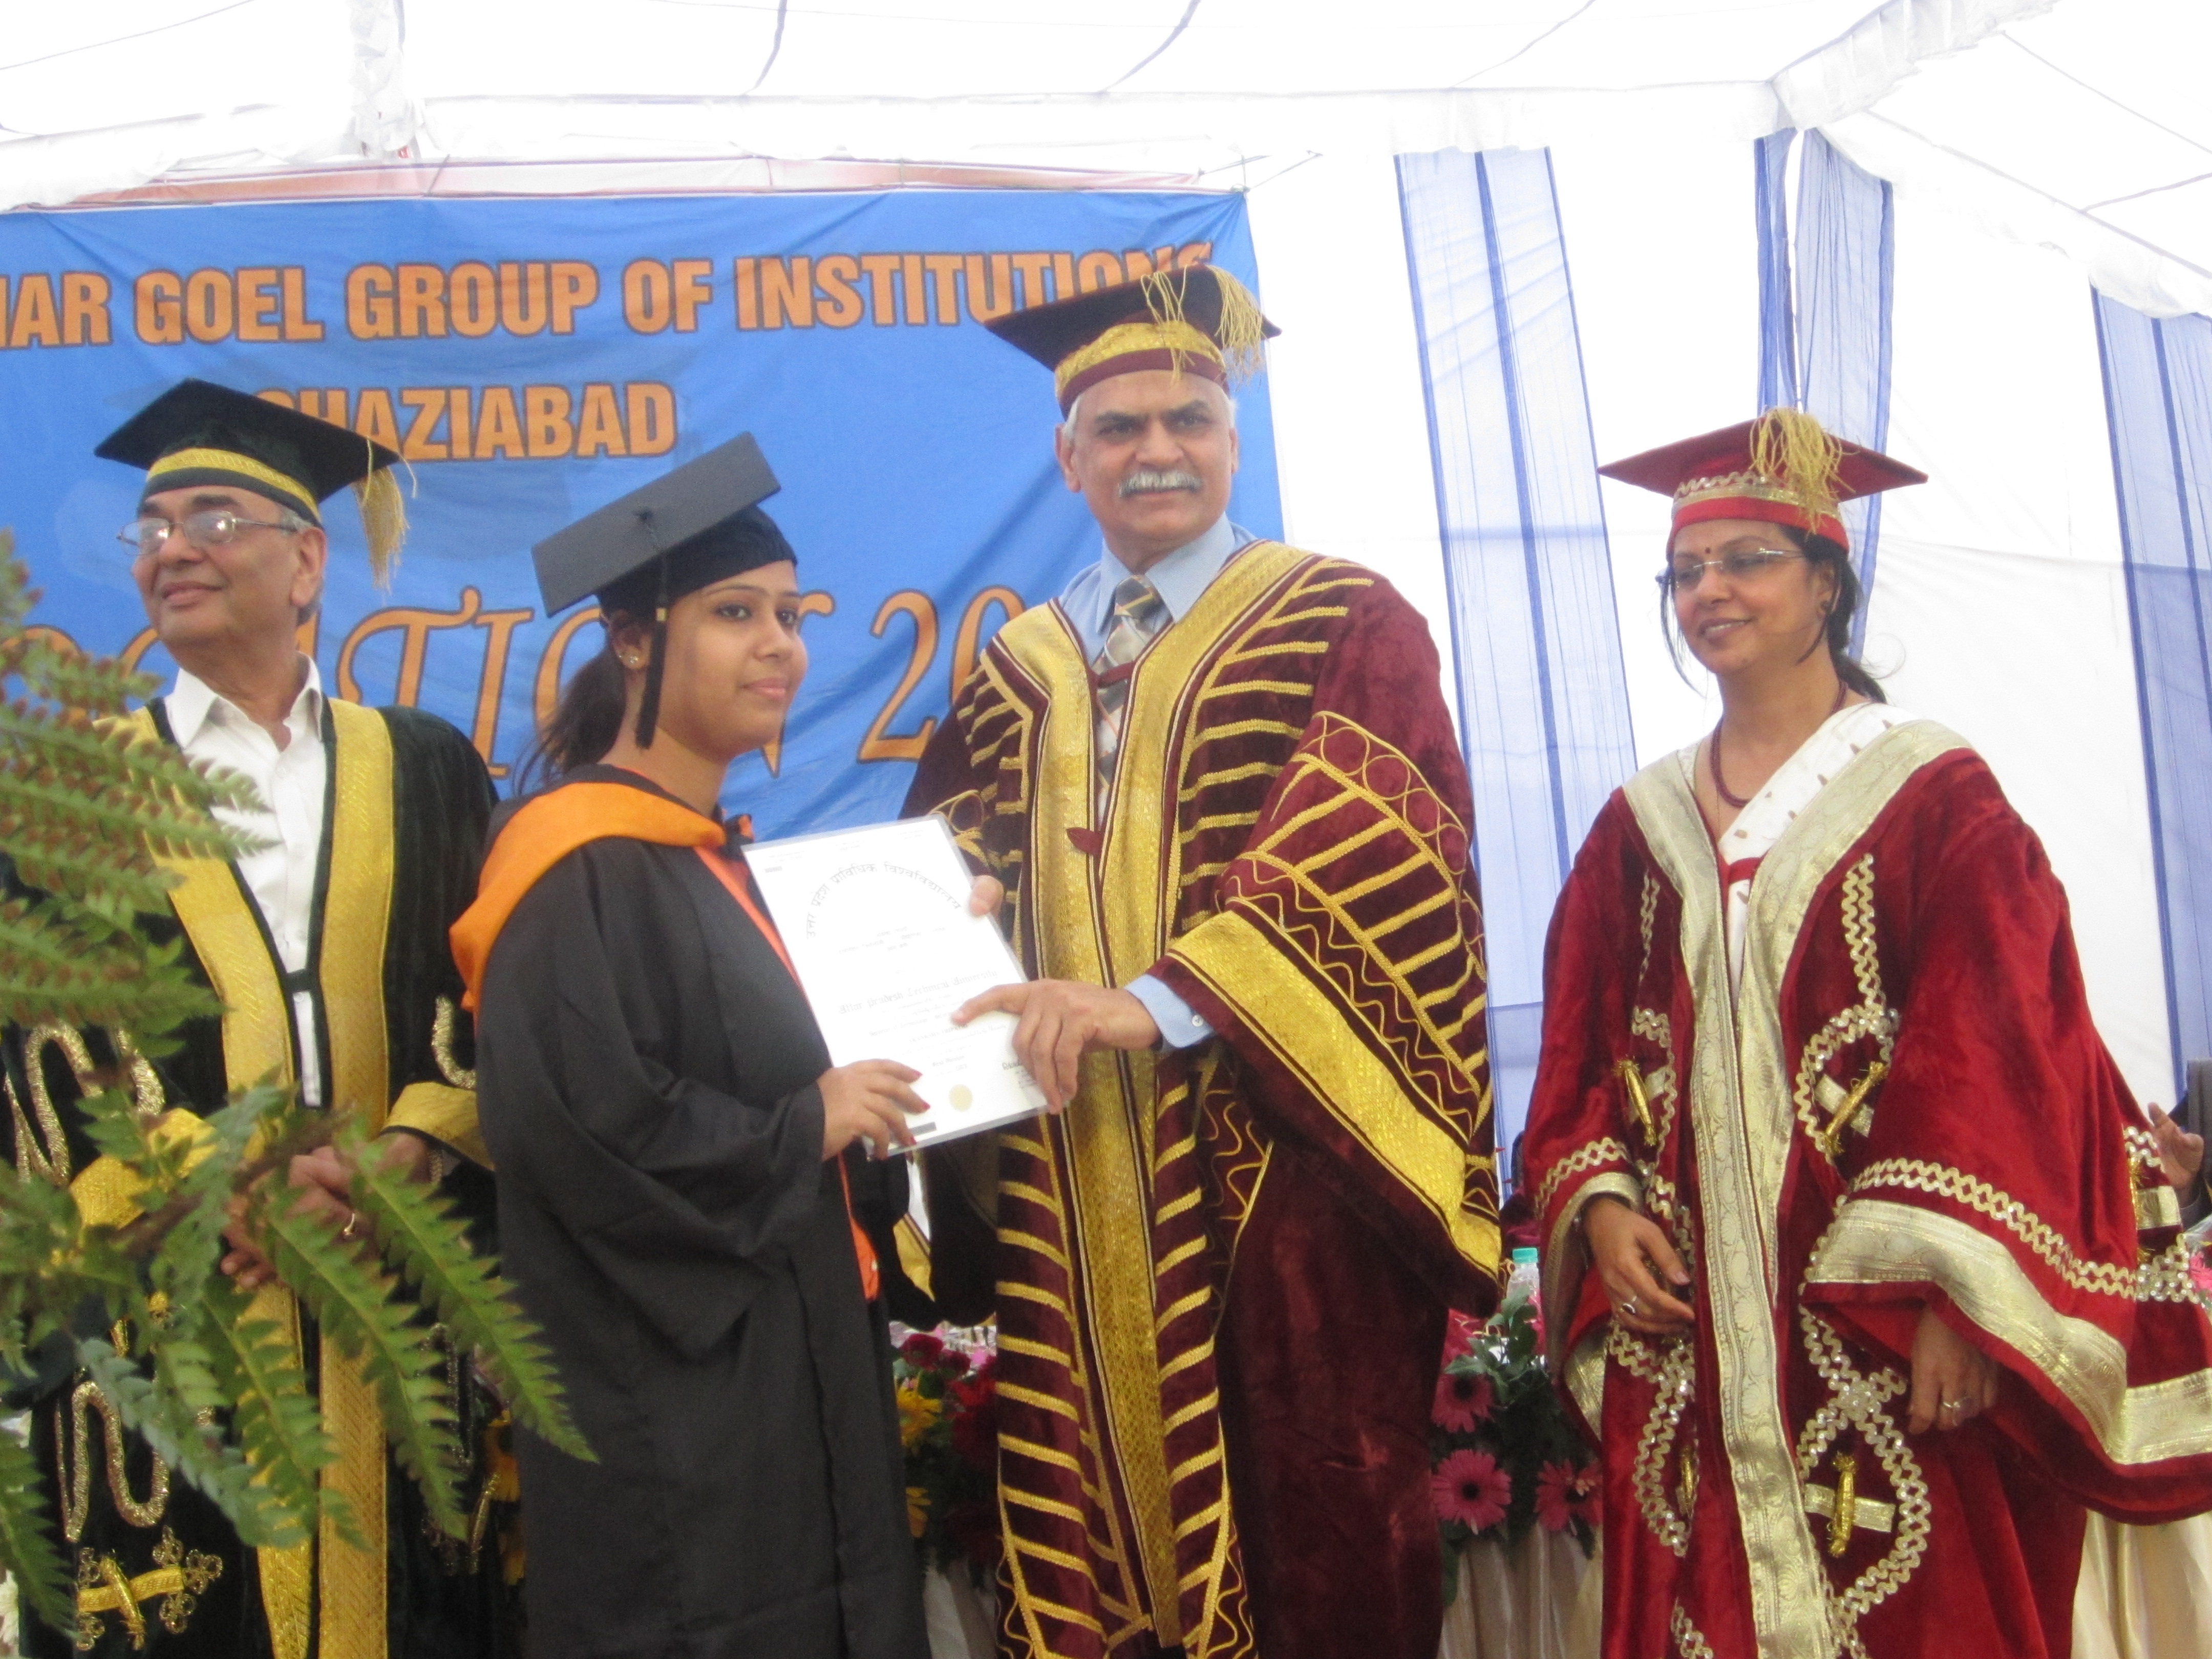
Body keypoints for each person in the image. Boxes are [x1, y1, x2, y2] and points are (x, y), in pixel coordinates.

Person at [1520, 408, 2212, 1659]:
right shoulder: (1639, 825)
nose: (1710, 592)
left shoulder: (1933, 796)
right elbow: (1575, 1055)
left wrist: (1957, 1298)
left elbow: (2003, 1055)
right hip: (1692, 1346)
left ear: (1827, 581)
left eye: (1746, 560)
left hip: (1880, 1339)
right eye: (1686, 570)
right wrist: (1601, 1207)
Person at [905, 265, 1500, 1659]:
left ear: (1236, 442)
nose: (1156, 450)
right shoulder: (1015, 667)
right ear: (1069, 458)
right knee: (1084, 1523)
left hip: (1280, 1175)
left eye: (1189, 420)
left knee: (1313, 1525)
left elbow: (1376, 852)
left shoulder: (1340, 618)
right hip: (1066, 1176)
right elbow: (942, 856)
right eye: (1118, 428)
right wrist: (955, 908)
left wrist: (1160, 1000)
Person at [1, 379, 502, 1657]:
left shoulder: (428, 764)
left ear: (308, 560)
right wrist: (227, 1186)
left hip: (394, 1297)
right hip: (178, 1317)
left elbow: (486, 996)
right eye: (154, 527)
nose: (172, 549)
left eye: (215, 519)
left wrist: (414, 1146)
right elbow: (46, 1054)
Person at [452, 434, 930, 1659]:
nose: (780, 644)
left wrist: (939, 968)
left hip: (799, 1380)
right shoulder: (572, 865)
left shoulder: (719, 861)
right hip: (673, 1419)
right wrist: (805, 1125)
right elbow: (574, 1129)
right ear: (631, 639)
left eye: (791, 615)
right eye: (735, 613)